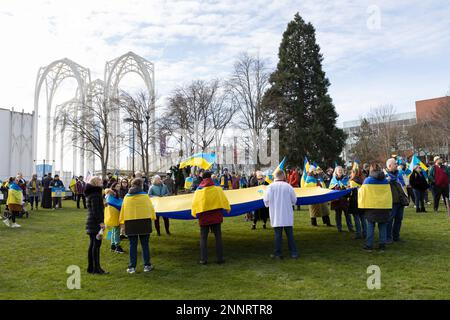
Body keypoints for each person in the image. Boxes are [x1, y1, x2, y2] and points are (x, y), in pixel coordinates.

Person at [191, 171, 230, 265]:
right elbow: (224, 200)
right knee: (218, 237)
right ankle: (220, 259)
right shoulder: (218, 189)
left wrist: (194, 213)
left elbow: (194, 204)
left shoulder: (198, 191)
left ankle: (203, 259)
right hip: (216, 216)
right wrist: (227, 208)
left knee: (203, 238)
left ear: (203, 178)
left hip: (204, 217)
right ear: (211, 178)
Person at [120, 178, 156, 273]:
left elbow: (123, 210)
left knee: (133, 245)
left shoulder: (127, 197)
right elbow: (150, 208)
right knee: (145, 245)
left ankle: (132, 267)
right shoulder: (145, 196)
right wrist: (153, 217)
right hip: (144, 222)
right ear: (141, 185)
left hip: (131, 223)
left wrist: (122, 223)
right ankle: (147, 265)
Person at [263, 170, 298, 259]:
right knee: (290, 235)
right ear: (283, 176)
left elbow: (266, 201)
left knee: (278, 235)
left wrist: (270, 204)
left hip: (276, 214)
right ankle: (294, 253)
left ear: (275, 177)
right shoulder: (288, 187)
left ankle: (278, 253)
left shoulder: (270, 187)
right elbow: (294, 200)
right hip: (286, 214)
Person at [359, 164, 391, 252]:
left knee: (370, 226)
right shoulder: (385, 180)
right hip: (383, 206)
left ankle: (369, 246)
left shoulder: (367, 180)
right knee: (382, 226)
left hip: (371, 207)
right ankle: (382, 245)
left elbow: (362, 193)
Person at [85, 176, 107, 274]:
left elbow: (96, 207)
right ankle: (96, 268)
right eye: (99, 180)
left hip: (92, 221)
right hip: (94, 222)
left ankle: (91, 267)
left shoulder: (93, 193)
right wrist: (101, 222)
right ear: (95, 182)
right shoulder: (95, 194)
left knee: (93, 244)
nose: (101, 181)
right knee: (96, 245)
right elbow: (96, 210)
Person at [386, 158, 409, 244]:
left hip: (400, 200)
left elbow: (402, 184)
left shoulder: (398, 174)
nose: (396, 165)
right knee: (389, 220)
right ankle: (388, 238)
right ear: (389, 166)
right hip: (392, 201)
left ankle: (396, 236)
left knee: (399, 219)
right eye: (395, 164)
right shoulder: (385, 176)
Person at [329, 166, 354, 232]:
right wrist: (336, 187)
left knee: (348, 215)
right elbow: (330, 188)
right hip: (337, 200)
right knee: (338, 215)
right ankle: (339, 228)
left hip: (345, 199)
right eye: (339, 170)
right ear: (336, 172)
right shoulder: (333, 179)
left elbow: (348, 186)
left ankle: (350, 228)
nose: (340, 171)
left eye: (341, 170)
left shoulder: (346, 178)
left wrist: (346, 187)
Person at [104, 183, 125, 254]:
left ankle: (113, 245)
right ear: (113, 187)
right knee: (116, 229)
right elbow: (112, 202)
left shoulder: (112, 193)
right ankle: (117, 246)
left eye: (119, 186)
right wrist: (122, 202)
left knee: (114, 229)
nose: (118, 187)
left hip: (112, 213)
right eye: (117, 186)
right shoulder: (111, 193)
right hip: (114, 213)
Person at [348, 168, 367, 239]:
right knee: (363, 218)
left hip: (355, 201)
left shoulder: (352, 181)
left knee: (356, 218)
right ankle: (365, 233)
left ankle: (358, 233)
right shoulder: (363, 181)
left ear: (354, 173)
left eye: (352, 173)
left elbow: (350, 192)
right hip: (362, 201)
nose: (351, 174)